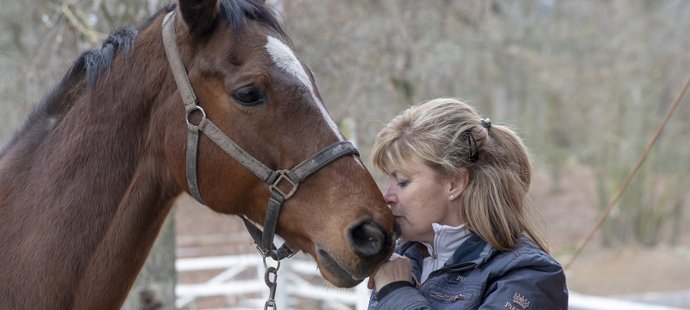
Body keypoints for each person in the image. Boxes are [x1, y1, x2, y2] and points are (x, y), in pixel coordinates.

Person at [367, 98, 568, 309]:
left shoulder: (529, 275)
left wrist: (396, 292)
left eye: (402, 182)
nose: (387, 196)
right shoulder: (402, 262)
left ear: (454, 184)